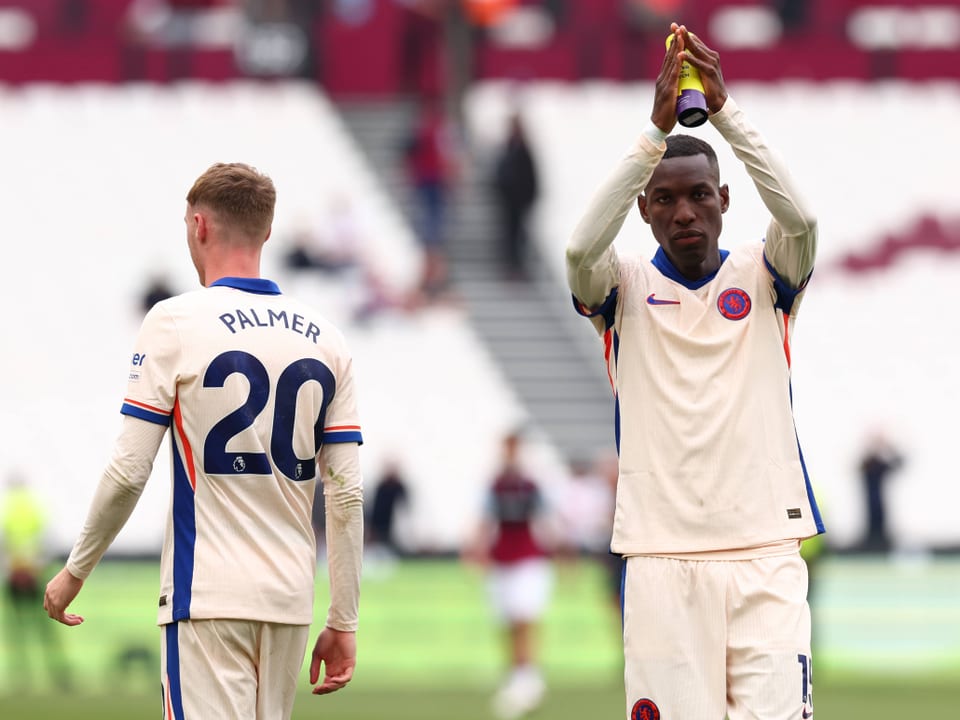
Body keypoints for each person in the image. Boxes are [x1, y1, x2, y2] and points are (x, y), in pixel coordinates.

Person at [43, 163, 365, 720]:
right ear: (266, 232)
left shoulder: (174, 322)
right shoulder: (328, 340)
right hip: (289, 601)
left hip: (207, 596)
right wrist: (343, 619)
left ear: (198, 225)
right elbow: (346, 495)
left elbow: (128, 471)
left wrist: (76, 569)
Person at [566, 24, 822, 720]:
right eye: (667, 200)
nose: (686, 212)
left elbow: (800, 217)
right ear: (645, 211)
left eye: (700, 195)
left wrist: (727, 113)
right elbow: (578, 246)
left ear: (724, 200)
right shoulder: (618, 290)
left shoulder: (765, 275)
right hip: (661, 557)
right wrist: (650, 138)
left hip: (766, 549)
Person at [462, 432, 555, 720]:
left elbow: (546, 520)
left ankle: (528, 677)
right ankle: (517, 674)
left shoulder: (530, 486)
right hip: (502, 560)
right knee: (506, 621)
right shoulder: (496, 486)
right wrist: (475, 550)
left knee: (524, 618)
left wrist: (562, 553)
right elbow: (484, 520)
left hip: (528, 559)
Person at [492, 111, 539, 280]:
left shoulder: (522, 149)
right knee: (510, 234)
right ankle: (511, 266)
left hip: (519, 201)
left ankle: (517, 267)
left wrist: (528, 197)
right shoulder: (510, 148)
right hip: (509, 201)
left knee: (518, 235)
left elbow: (530, 177)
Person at [857, 431, 904, 552]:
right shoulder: (868, 463)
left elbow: (899, 462)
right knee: (872, 536)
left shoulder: (881, 464)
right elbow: (858, 464)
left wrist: (887, 447)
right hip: (869, 513)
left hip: (882, 513)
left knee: (882, 536)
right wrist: (870, 446)